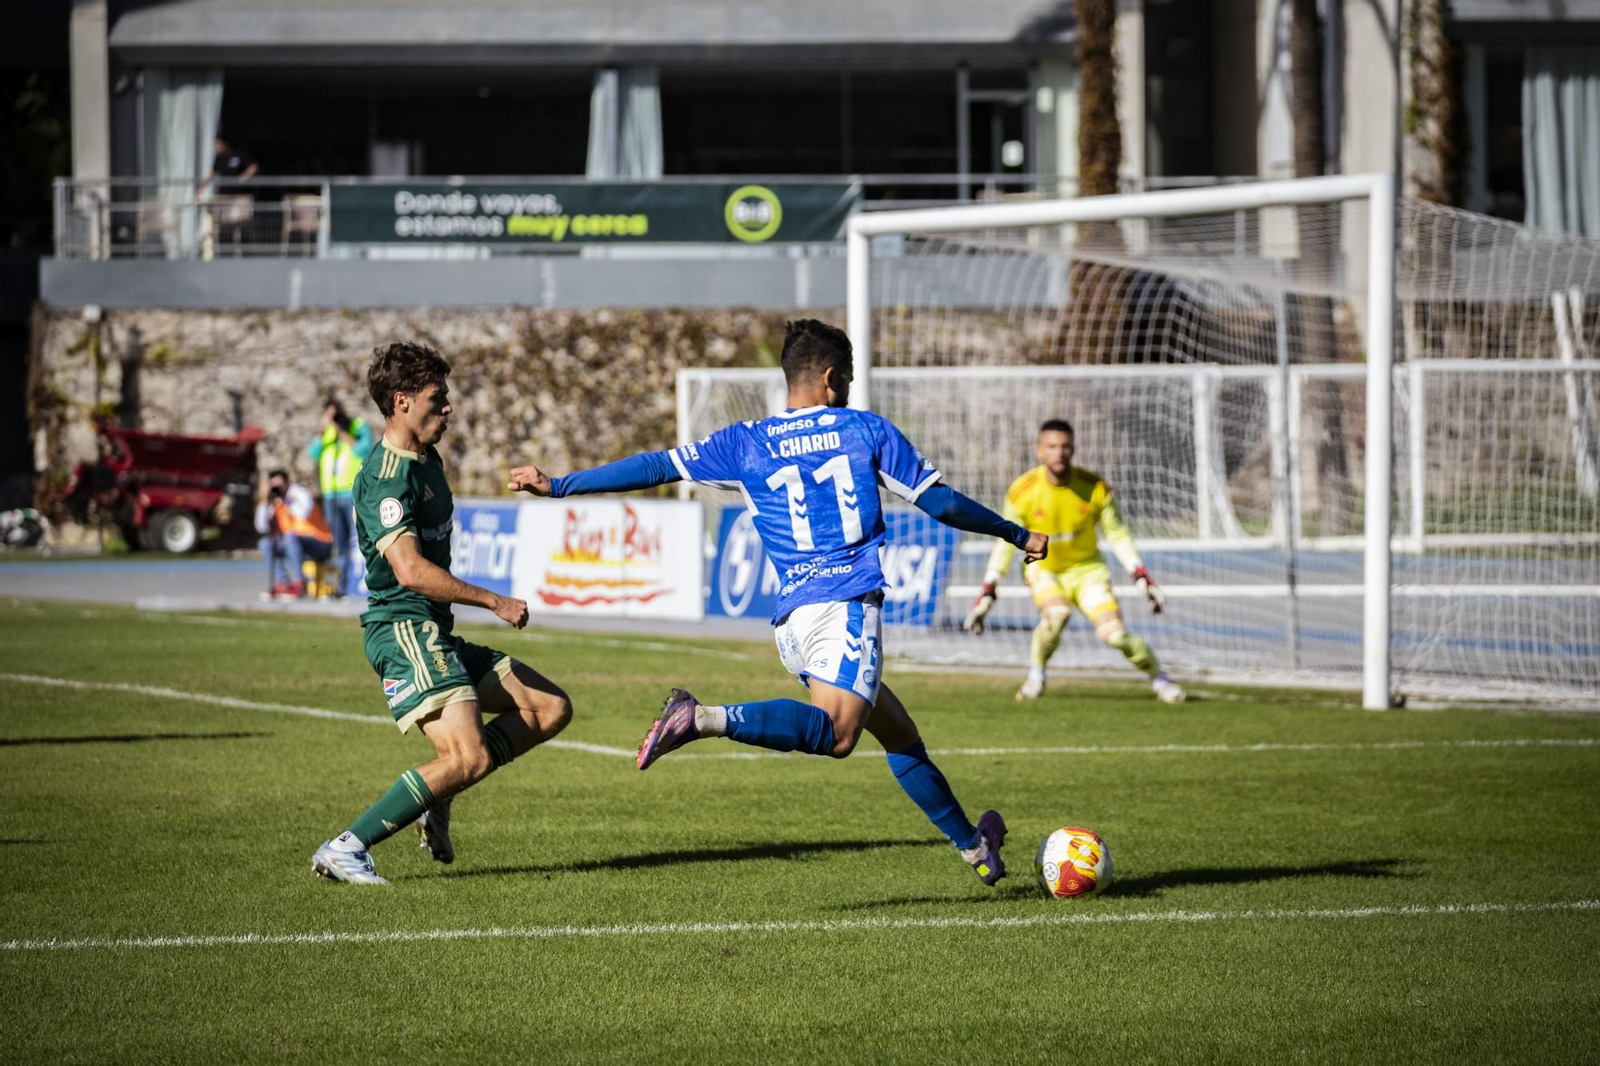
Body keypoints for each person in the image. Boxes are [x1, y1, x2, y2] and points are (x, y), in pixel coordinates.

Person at [508, 319, 1048, 886]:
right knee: (839, 735)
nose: (848, 391)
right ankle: (703, 718)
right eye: (848, 380)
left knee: (897, 732)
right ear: (832, 377)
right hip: (843, 602)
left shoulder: (745, 441)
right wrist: (1016, 534)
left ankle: (975, 847)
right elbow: (941, 504)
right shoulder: (864, 430)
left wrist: (560, 484)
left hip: (792, 620)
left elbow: (655, 465)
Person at [310, 342, 573, 886]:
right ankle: (345, 847)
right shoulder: (385, 478)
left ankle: (440, 792)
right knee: (469, 758)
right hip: (402, 628)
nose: (448, 407)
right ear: (402, 402)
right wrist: (495, 601)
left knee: (549, 707)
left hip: (434, 629)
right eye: (438, 398)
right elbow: (409, 571)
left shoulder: (428, 460)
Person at [962, 419, 1186, 704]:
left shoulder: (1095, 488)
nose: (1059, 453)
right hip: (1044, 569)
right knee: (1056, 616)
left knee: (1116, 636)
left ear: (1074, 449)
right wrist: (989, 587)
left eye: (1065, 446)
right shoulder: (1023, 491)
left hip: (1088, 571)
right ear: (1039, 451)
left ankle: (1161, 679)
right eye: (1052, 447)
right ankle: (1036, 676)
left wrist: (1139, 573)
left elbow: (1117, 534)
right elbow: (1005, 543)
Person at [307, 397, 373, 597]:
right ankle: (342, 586)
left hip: (353, 492)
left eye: (334, 415)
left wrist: (341, 432)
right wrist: (322, 430)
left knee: (361, 539)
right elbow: (313, 453)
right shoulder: (326, 433)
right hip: (331, 494)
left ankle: (368, 582)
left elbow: (364, 450)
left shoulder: (357, 426)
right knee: (340, 544)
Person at [254, 467, 333, 600]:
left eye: (279, 485)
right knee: (265, 543)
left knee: (290, 536)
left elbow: (302, 514)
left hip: (320, 542)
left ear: (287, 483)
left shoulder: (300, 493)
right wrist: (264, 501)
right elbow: (261, 526)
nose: (277, 489)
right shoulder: (275, 501)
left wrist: (287, 499)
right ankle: (283, 583)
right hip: (294, 545)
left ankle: (299, 582)